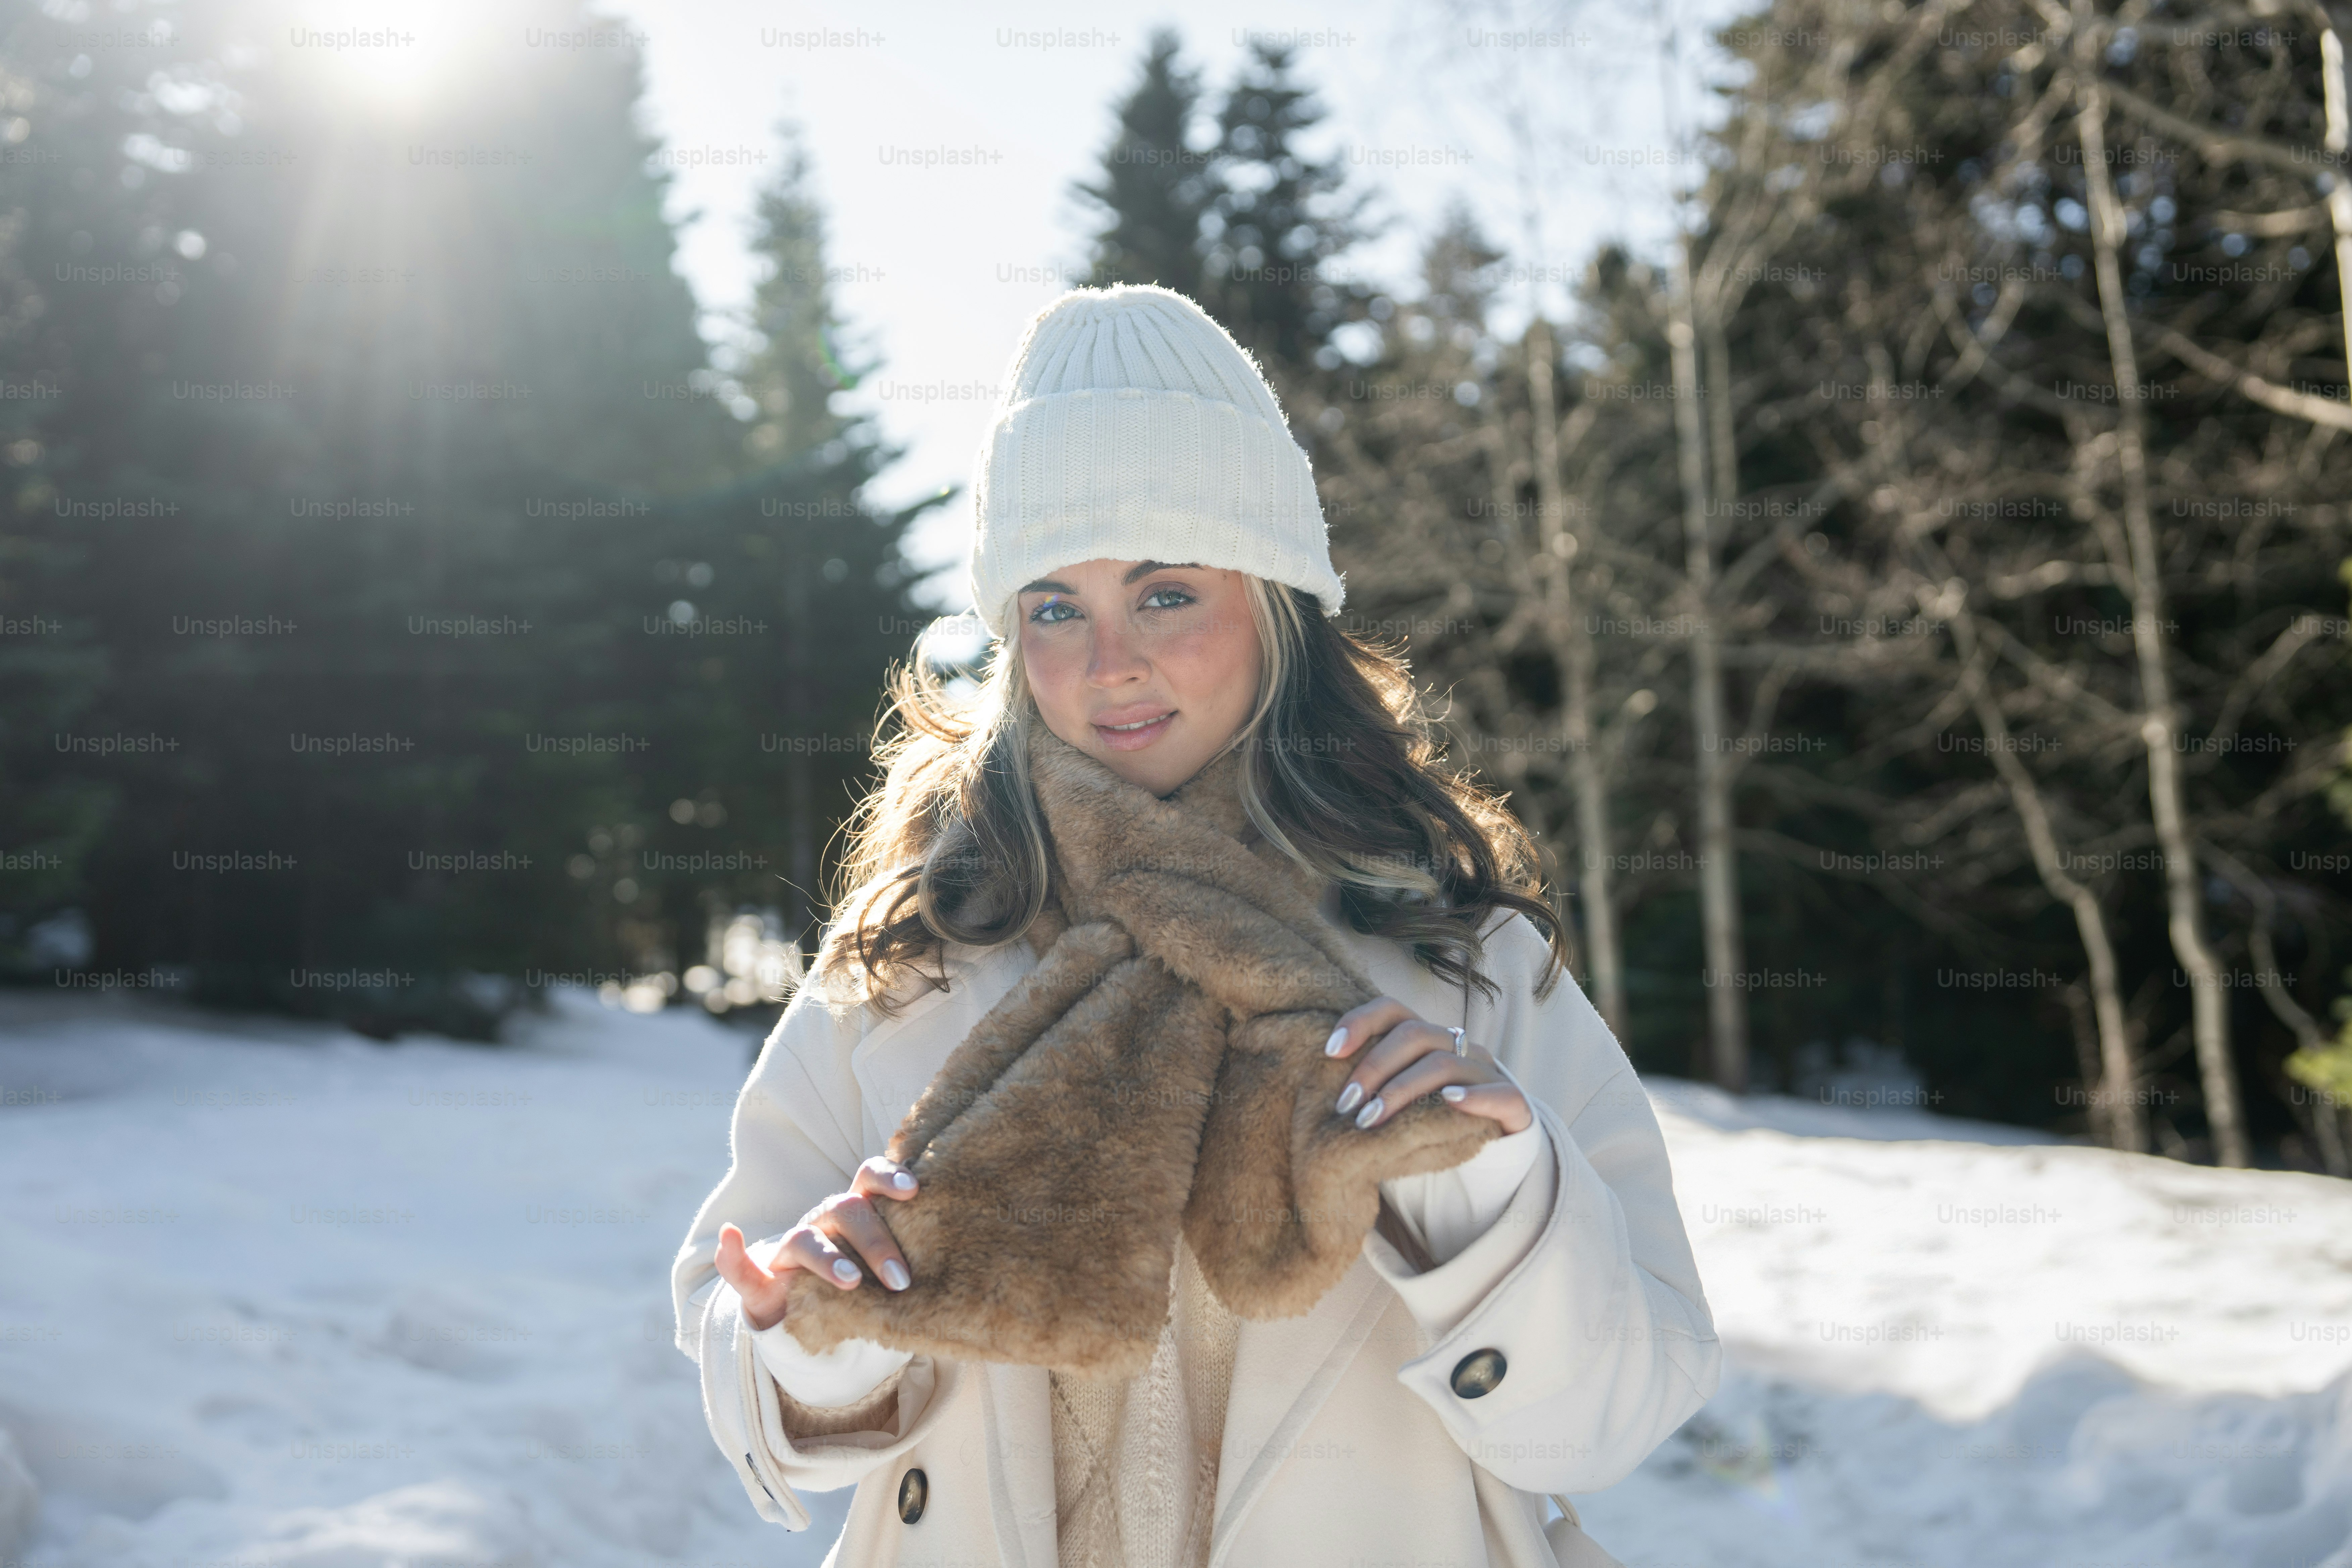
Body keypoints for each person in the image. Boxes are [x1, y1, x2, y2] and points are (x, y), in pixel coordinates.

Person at [671, 284, 1719, 1568]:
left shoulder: (1461, 963)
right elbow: (755, 1397)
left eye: (1165, 592)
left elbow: (1609, 1424)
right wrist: (810, 1327)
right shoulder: (907, 966)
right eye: (1055, 606)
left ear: (1274, 605)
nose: (1110, 660)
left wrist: (1492, 1185)